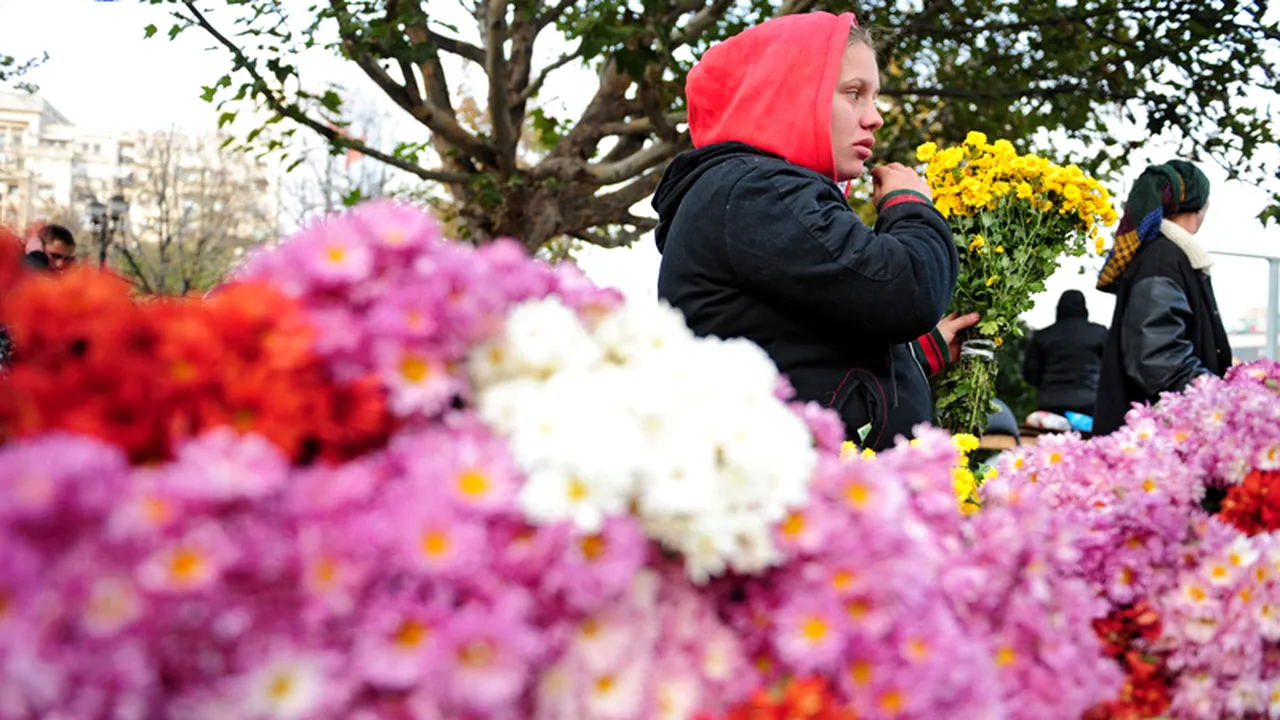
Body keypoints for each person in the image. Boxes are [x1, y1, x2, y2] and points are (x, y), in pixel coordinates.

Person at [652, 12, 971, 450]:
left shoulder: (762, 191)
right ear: (790, 93)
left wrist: (918, 353)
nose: (874, 117)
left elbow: (805, 344)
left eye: (874, 97)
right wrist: (910, 206)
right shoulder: (760, 190)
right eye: (854, 94)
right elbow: (906, 290)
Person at [1093, 160, 1231, 435]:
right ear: (1200, 204)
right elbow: (1157, 359)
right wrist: (1221, 398)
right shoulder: (1162, 258)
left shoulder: (1168, 256)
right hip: (1157, 441)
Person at [1022, 290, 1108, 417]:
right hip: (1089, 402)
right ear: (1084, 308)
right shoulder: (1099, 333)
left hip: (1050, 403)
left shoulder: (1043, 336)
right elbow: (1110, 368)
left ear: (1059, 308)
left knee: (1049, 437)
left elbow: (1030, 374)